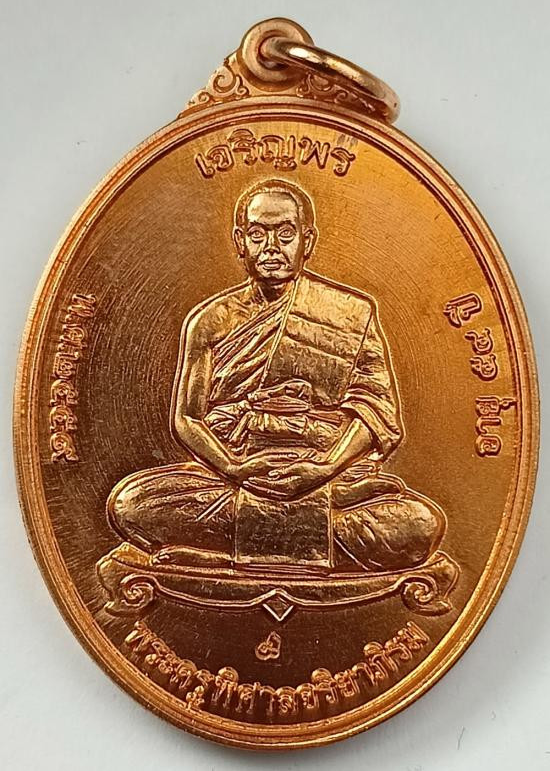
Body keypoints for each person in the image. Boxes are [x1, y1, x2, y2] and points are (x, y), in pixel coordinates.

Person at [107, 179, 445, 572]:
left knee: (419, 524)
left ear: (307, 241)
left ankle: (227, 552)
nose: (271, 247)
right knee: (131, 504)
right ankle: (315, 534)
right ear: (240, 242)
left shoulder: (350, 314)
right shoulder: (209, 321)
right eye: (257, 234)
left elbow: (376, 411)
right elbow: (187, 418)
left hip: (328, 473)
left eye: (285, 234)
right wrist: (232, 467)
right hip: (235, 476)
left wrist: (324, 469)